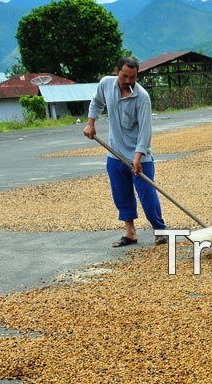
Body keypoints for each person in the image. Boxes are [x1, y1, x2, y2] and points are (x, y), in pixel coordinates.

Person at [84, 56, 168, 247]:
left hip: (140, 157)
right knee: (121, 194)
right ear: (116, 72)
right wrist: (90, 124)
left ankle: (160, 230)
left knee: (148, 195)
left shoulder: (142, 98)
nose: (129, 81)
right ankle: (130, 233)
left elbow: (145, 132)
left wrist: (137, 157)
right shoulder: (106, 84)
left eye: (133, 77)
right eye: (125, 76)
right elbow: (96, 103)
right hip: (115, 154)